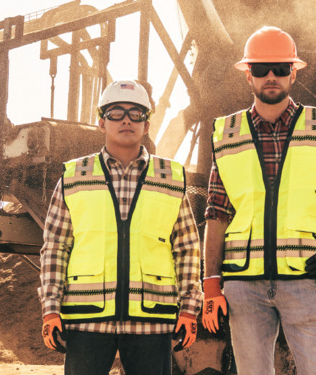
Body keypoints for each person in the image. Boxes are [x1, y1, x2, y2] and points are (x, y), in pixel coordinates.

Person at [199, 26, 316, 375]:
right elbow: (217, 214)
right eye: (262, 69)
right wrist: (210, 284)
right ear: (248, 74)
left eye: (280, 68)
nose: (271, 77)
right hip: (243, 287)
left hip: (305, 281)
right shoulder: (227, 134)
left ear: (293, 73)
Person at [37, 80, 202, 375]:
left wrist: (189, 306)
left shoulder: (171, 178)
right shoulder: (74, 177)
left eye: (136, 113)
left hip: (152, 318)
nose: (126, 119)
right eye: (116, 112)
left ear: (147, 124)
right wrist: (50, 307)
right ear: (101, 121)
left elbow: (187, 247)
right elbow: (56, 246)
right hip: (87, 319)